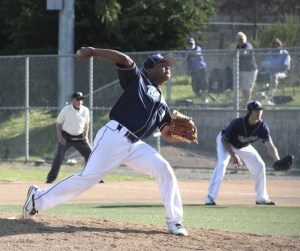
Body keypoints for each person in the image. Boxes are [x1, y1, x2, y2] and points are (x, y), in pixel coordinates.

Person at [22, 47, 189, 236]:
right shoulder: (138, 80)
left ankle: (175, 222)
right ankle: (37, 198)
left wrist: (178, 135)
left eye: (169, 65)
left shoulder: (163, 104)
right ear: (149, 70)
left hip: (135, 146)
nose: (168, 67)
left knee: (164, 169)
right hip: (114, 137)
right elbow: (124, 59)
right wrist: (92, 51)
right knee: (87, 178)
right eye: (162, 64)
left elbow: (166, 133)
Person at [205, 100, 280, 206]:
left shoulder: (262, 127)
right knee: (222, 164)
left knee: (260, 165)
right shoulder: (238, 123)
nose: (259, 112)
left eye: (260, 110)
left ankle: (261, 198)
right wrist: (233, 156)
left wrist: (277, 160)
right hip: (226, 142)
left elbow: (270, 145)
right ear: (250, 112)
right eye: (256, 110)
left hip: (243, 146)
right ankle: (210, 197)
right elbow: (224, 140)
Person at [46, 92, 92, 184]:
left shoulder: (85, 110)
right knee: (59, 157)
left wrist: (86, 137)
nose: (80, 101)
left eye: (81, 99)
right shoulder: (66, 110)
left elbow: (86, 125)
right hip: (66, 137)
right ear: (73, 100)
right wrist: (60, 137)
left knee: (91, 156)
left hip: (80, 137)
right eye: (77, 99)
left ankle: (95, 177)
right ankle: (50, 179)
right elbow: (58, 124)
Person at [261, 38, 291, 105]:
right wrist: (266, 66)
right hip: (269, 72)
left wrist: (275, 68)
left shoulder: (285, 53)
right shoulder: (269, 53)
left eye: (277, 46)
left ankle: (270, 96)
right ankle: (261, 94)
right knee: (260, 75)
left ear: (280, 46)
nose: (275, 48)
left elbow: (286, 66)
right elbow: (264, 63)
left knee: (274, 76)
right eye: (274, 46)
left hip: (282, 73)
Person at [181, 37, 209, 107]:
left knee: (203, 87)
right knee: (195, 89)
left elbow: (196, 53)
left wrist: (188, 54)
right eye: (189, 44)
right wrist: (187, 55)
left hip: (201, 70)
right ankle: (204, 100)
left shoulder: (197, 48)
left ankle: (203, 103)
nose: (191, 45)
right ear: (187, 45)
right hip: (193, 72)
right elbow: (183, 61)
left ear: (194, 44)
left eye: (192, 44)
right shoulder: (184, 51)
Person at [236, 32, 258, 106]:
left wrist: (239, 52)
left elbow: (245, 52)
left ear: (245, 39)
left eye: (242, 39)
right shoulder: (238, 47)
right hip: (242, 70)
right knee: (244, 87)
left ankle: (248, 103)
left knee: (247, 87)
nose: (241, 40)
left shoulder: (248, 45)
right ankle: (246, 101)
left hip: (250, 70)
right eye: (239, 39)